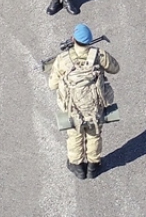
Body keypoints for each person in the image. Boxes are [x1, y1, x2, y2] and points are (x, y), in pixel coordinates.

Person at [46, 23, 119, 180]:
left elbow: (52, 85)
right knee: (94, 134)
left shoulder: (63, 59)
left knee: (74, 136)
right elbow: (115, 68)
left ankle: (77, 166)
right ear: (90, 40)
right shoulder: (99, 55)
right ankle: (93, 165)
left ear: (73, 39)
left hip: (72, 108)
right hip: (94, 107)